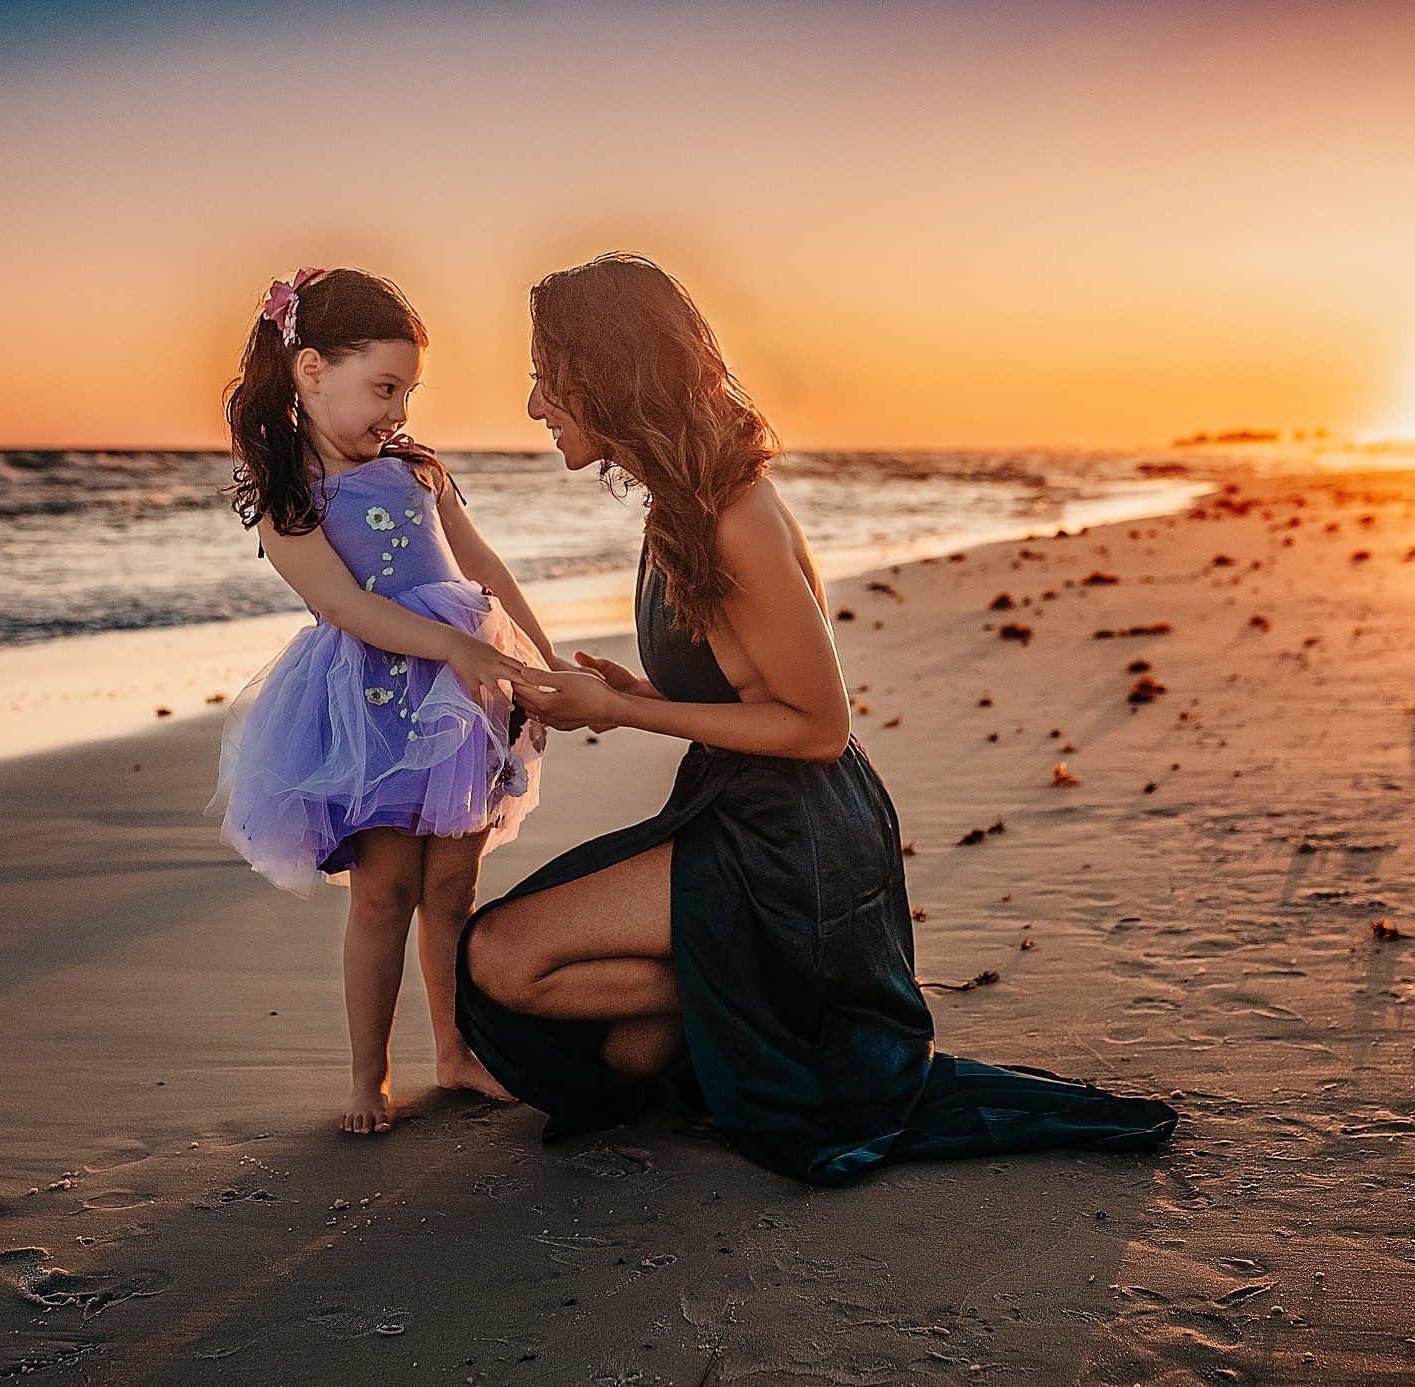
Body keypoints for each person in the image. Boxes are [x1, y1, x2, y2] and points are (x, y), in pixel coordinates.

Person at [457, 254, 1178, 1185]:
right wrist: (629, 696)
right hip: (744, 810)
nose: (533, 406)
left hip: (794, 837)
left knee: (500, 959)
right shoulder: (680, 507)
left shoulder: (734, 517)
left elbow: (818, 726)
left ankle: (783, 1006)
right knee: (624, 1053)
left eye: (546, 379)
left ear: (608, 375)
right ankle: (764, 1005)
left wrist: (627, 713)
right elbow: (748, 689)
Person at [210, 267, 553, 1135]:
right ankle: (371, 1074)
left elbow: (482, 566)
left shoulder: (418, 470)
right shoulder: (287, 496)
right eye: (384, 387)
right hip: (372, 706)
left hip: (464, 700)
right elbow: (343, 606)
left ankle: (456, 1051)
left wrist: (538, 660)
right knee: (384, 890)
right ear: (312, 370)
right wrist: (456, 646)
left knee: (453, 886)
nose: (397, 411)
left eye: (407, 392)